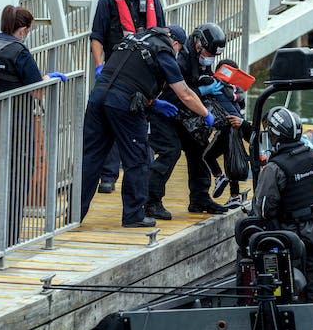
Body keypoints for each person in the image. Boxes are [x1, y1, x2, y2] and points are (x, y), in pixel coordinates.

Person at [80, 26, 214, 227]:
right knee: (138, 159)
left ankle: (74, 213)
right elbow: (184, 93)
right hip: (124, 106)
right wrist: (206, 113)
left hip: (98, 98)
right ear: (175, 43)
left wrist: (153, 102)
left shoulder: (133, 41)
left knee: (91, 158)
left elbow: (128, 76)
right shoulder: (164, 51)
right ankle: (134, 215)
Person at [0, 5, 67, 247]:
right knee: (19, 175)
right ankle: (9, 235)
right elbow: (36, 92)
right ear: (23, 30)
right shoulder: (20, 53)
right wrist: (50, 78)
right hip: (18, 121)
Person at [90, 0, 166, 194]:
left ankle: (141, 172)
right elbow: (97, 37)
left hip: (142, 74)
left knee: (139, 121)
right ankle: (108, 176)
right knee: (111, 119)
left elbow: (162, 34)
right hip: (115, 71)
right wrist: (99, 65)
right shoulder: (108, 2)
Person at [253, 106, 313, 303]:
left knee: (285, 284)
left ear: (274, 136)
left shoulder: (273, 168)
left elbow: (263, 210)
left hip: (290, 236)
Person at [145, 22, 228, 220]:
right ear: (198, 43)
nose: (209, 58)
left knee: (199, 148)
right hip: (163, 111)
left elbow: (196, 83)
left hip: (184, 113)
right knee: (170, 151)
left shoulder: (198, 59)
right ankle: (151, 201)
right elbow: (174, 95)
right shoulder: (180, 57)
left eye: (212, 55)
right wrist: (201, 94)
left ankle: (199, 198)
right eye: (208, 53)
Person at [201, 59, 248, 209]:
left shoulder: (218, 84)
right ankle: (234, 196)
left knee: (207, 155)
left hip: (227, 126)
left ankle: (219, 177)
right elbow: (241, 103)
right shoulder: (236, 89)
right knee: (231, 159)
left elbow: (202, 80)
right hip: (237, 127)